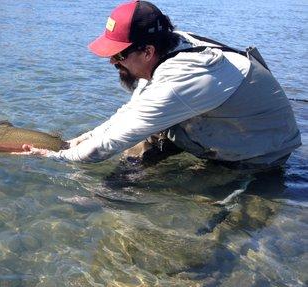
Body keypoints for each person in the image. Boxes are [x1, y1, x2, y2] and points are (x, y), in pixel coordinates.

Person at [19, 1, 301, 169]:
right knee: (133, 152)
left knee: (189, 199)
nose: (113, 63)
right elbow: (130, 114)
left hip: (259, 155)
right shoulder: (171, 44)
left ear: (147, 52)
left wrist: (58, 159)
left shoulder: (182, 78)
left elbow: (111, 142)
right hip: (221, 124)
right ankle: (112, 192)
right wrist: (74, 142)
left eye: (118, 55)